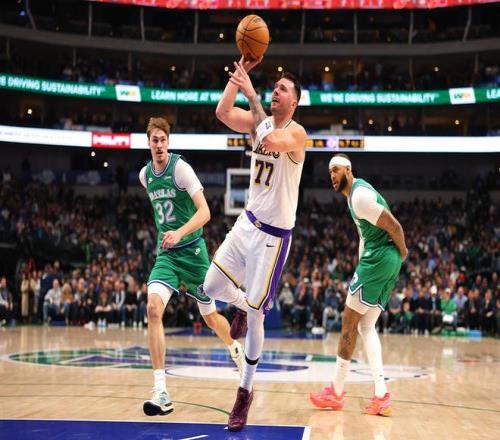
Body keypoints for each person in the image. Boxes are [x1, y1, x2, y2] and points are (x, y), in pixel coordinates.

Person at [202, 57, 307, 431]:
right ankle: (242, 306)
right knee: (211, 286)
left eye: (283, 89)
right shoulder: (257, 121)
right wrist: (239, 75)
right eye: (274, 86)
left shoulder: (297, 134)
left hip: (274, 238)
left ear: (294, 101)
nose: (276, 91)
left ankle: (244, 392)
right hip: (247, 223)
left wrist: (253, 95)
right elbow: (222, 112)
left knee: (259, 314)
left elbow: (270, 139)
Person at [140, 117, 244, 417]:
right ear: (148, 143)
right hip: (167, 255)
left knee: (210, 318)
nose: (159, 145)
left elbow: (205, 212)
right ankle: (161, 390)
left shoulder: (180, 169)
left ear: (168, 142)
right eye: (154, 140)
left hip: (193, 252)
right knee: (153, 309)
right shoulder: (145, 176)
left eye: (163, 140)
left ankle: (235, 348)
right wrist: (169, 235)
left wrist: (179, 232)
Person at [310, 153, 408, 417]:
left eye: (336, 170)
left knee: (348, 323)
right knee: (366, 326)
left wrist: (403, 251)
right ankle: (381, 395)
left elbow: (394, 225)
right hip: (383, 260)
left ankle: (336, 391)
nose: (332, 175)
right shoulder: (355, 195)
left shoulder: (359, 196)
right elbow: (368, 233)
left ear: (348, 170)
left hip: (380, 258)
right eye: (330, 171)